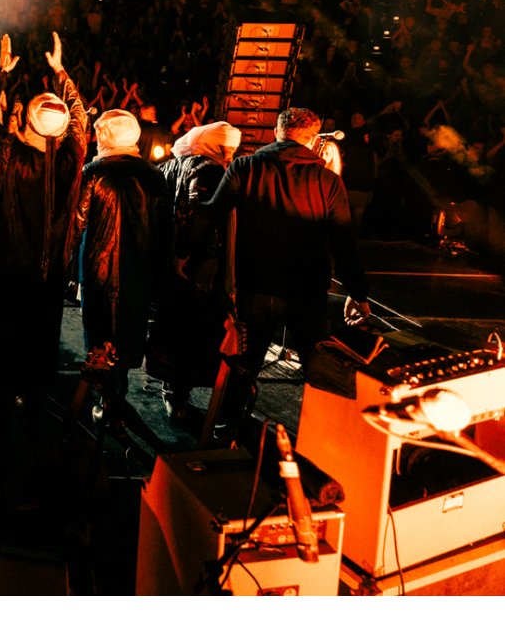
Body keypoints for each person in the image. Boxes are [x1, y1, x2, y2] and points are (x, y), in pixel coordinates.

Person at [200, 107, 371, 441]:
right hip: (306, 293)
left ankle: (225, 431)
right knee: (318, 367)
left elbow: (211, 215)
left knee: (244, 364)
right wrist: (358, 292)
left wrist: (185, 255)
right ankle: (322, 439)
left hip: (254, 287)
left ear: (277, 132)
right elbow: (343, 242)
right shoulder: (328, 181)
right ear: (310, 139)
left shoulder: (245, 167)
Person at [0, 31, 88, 436]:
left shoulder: (15, 155)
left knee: (3, 332)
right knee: (40, 333)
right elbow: (82, 118)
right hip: (49, 267)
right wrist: (61, 74)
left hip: (8, 264)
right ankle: (32, 401)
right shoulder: (73, 157)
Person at [71, 109, 172, 427]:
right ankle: (117, 395)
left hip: (98, 271)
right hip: (139, 272)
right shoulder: (155, 176)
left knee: (99, 332)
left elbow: (77, 222)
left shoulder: (94, 172)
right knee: (129, 330)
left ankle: (107, 398)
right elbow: (164, 229)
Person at [148, 121, 242, 422]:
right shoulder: (209, 172)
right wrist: (186, 254)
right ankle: (179, 395)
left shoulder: (173, 165)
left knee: (173, 326)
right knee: (193, 332)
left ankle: (172, 388)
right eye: (226, 148)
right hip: (198, 268)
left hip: (171, 265)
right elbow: (198, 215)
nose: (230, 155)